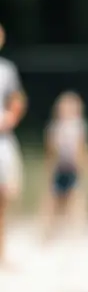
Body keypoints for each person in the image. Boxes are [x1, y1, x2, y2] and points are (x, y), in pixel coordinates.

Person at [42, 91, 88, 239]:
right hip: (60, 167)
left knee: (76, 199)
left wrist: (85, 163)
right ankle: (49, 230)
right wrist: (49, 167)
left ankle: (75, 229)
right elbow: (50, 149)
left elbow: (82, 147)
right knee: (53, 201)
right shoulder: (55, 127)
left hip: (73, 167)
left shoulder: (79, 127)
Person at [0, 23, 28, 268]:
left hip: (2, 138)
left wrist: (10, 118)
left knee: (4, 195)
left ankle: (2, 252)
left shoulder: (6, 70)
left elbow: (17, 99)